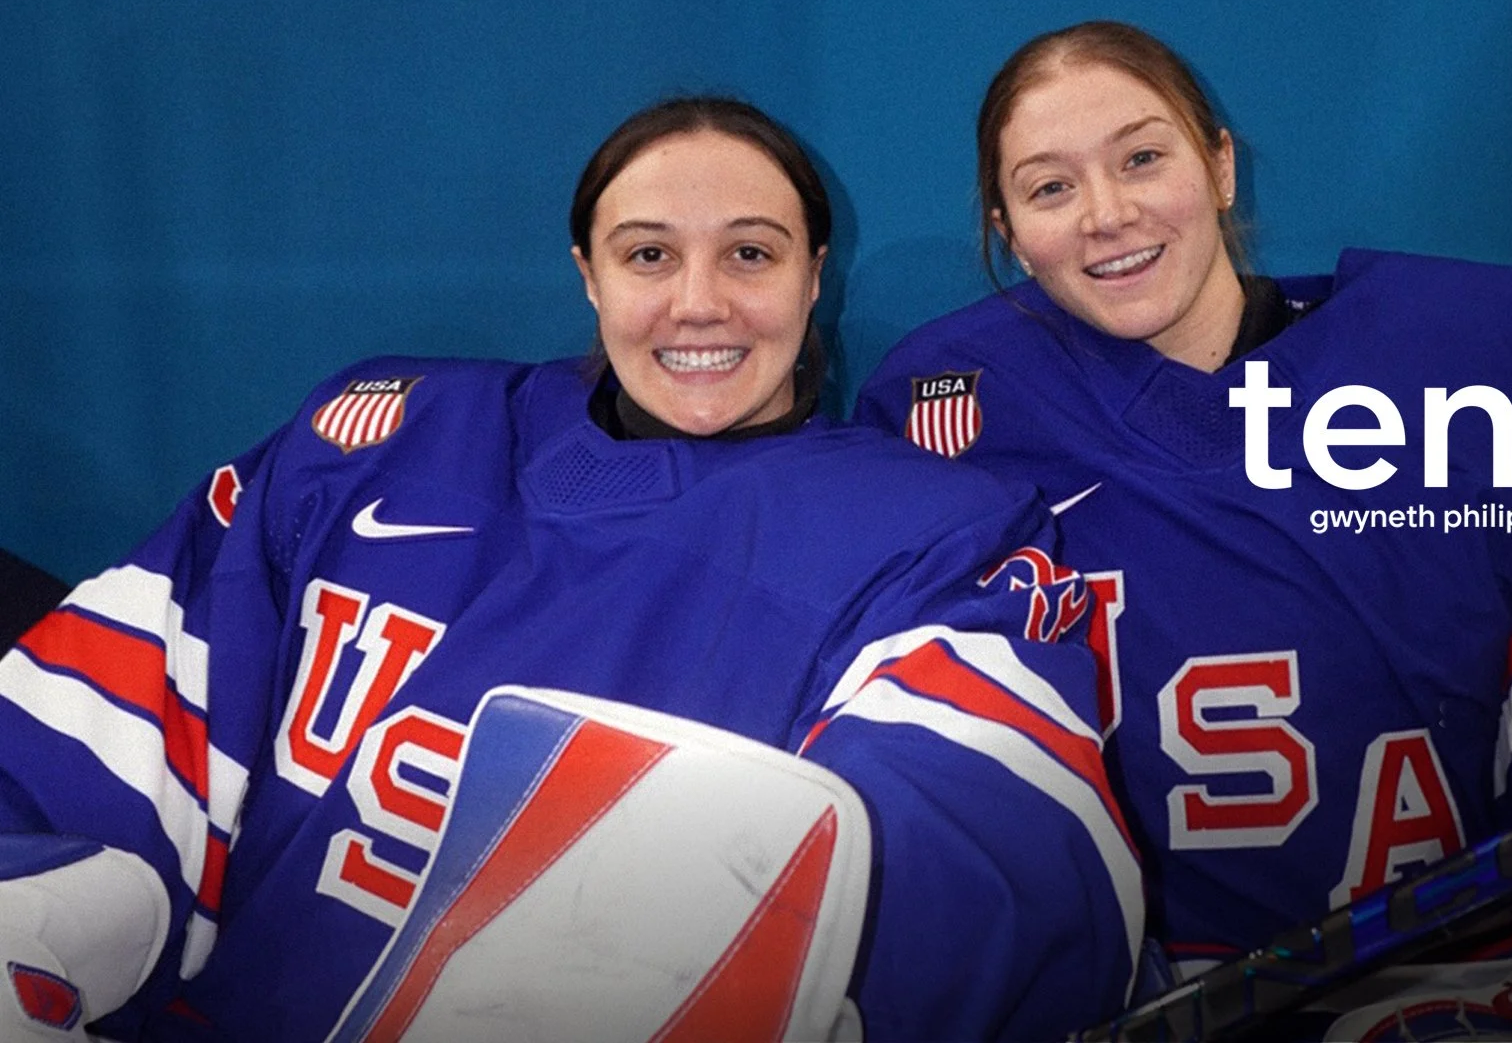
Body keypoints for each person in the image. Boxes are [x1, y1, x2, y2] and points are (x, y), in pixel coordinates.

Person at [0, 97, 1141, 1041]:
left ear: (812, 278)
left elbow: (999, 855)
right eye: (650, 254)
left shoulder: (940, 533)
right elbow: (103, 729)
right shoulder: (386, 438)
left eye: (751, 253)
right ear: (588, 276)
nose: (700, 302)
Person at [855, 20, 1512, 988]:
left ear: (1221, 166)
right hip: (1161, 1003)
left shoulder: (1496, 350)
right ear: (1008, 232)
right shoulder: (950, 404)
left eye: (1142, 158)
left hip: (1501, 974)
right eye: (1050, 187)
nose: (1106, 213)